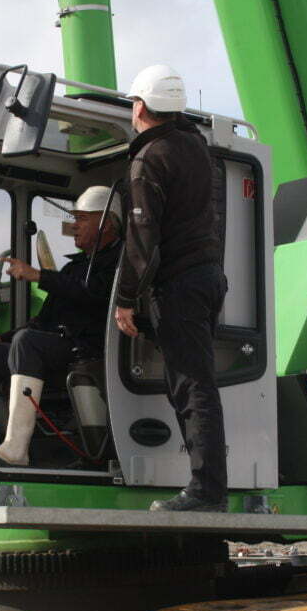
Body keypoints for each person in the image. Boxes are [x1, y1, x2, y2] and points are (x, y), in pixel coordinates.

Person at [114, 65, 229, 512]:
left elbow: (141, 240)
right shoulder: (195, 147)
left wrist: (125, 300)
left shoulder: (150, 160)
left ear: (140, 107)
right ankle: (208, 487)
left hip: (180, 285)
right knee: (195, 382)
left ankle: (206, 491)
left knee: (191, 386)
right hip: (206, 278)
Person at [0, 186, 121, 466]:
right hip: (56, 346)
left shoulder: (119, 263)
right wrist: (0, 337)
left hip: (90, 347)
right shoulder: (74, 268)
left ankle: (16, 449)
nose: (74, 226)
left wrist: (37, 276)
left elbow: (92, 293)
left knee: (28, 342)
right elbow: (41, 321)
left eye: (81, 218)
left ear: (105, 223)